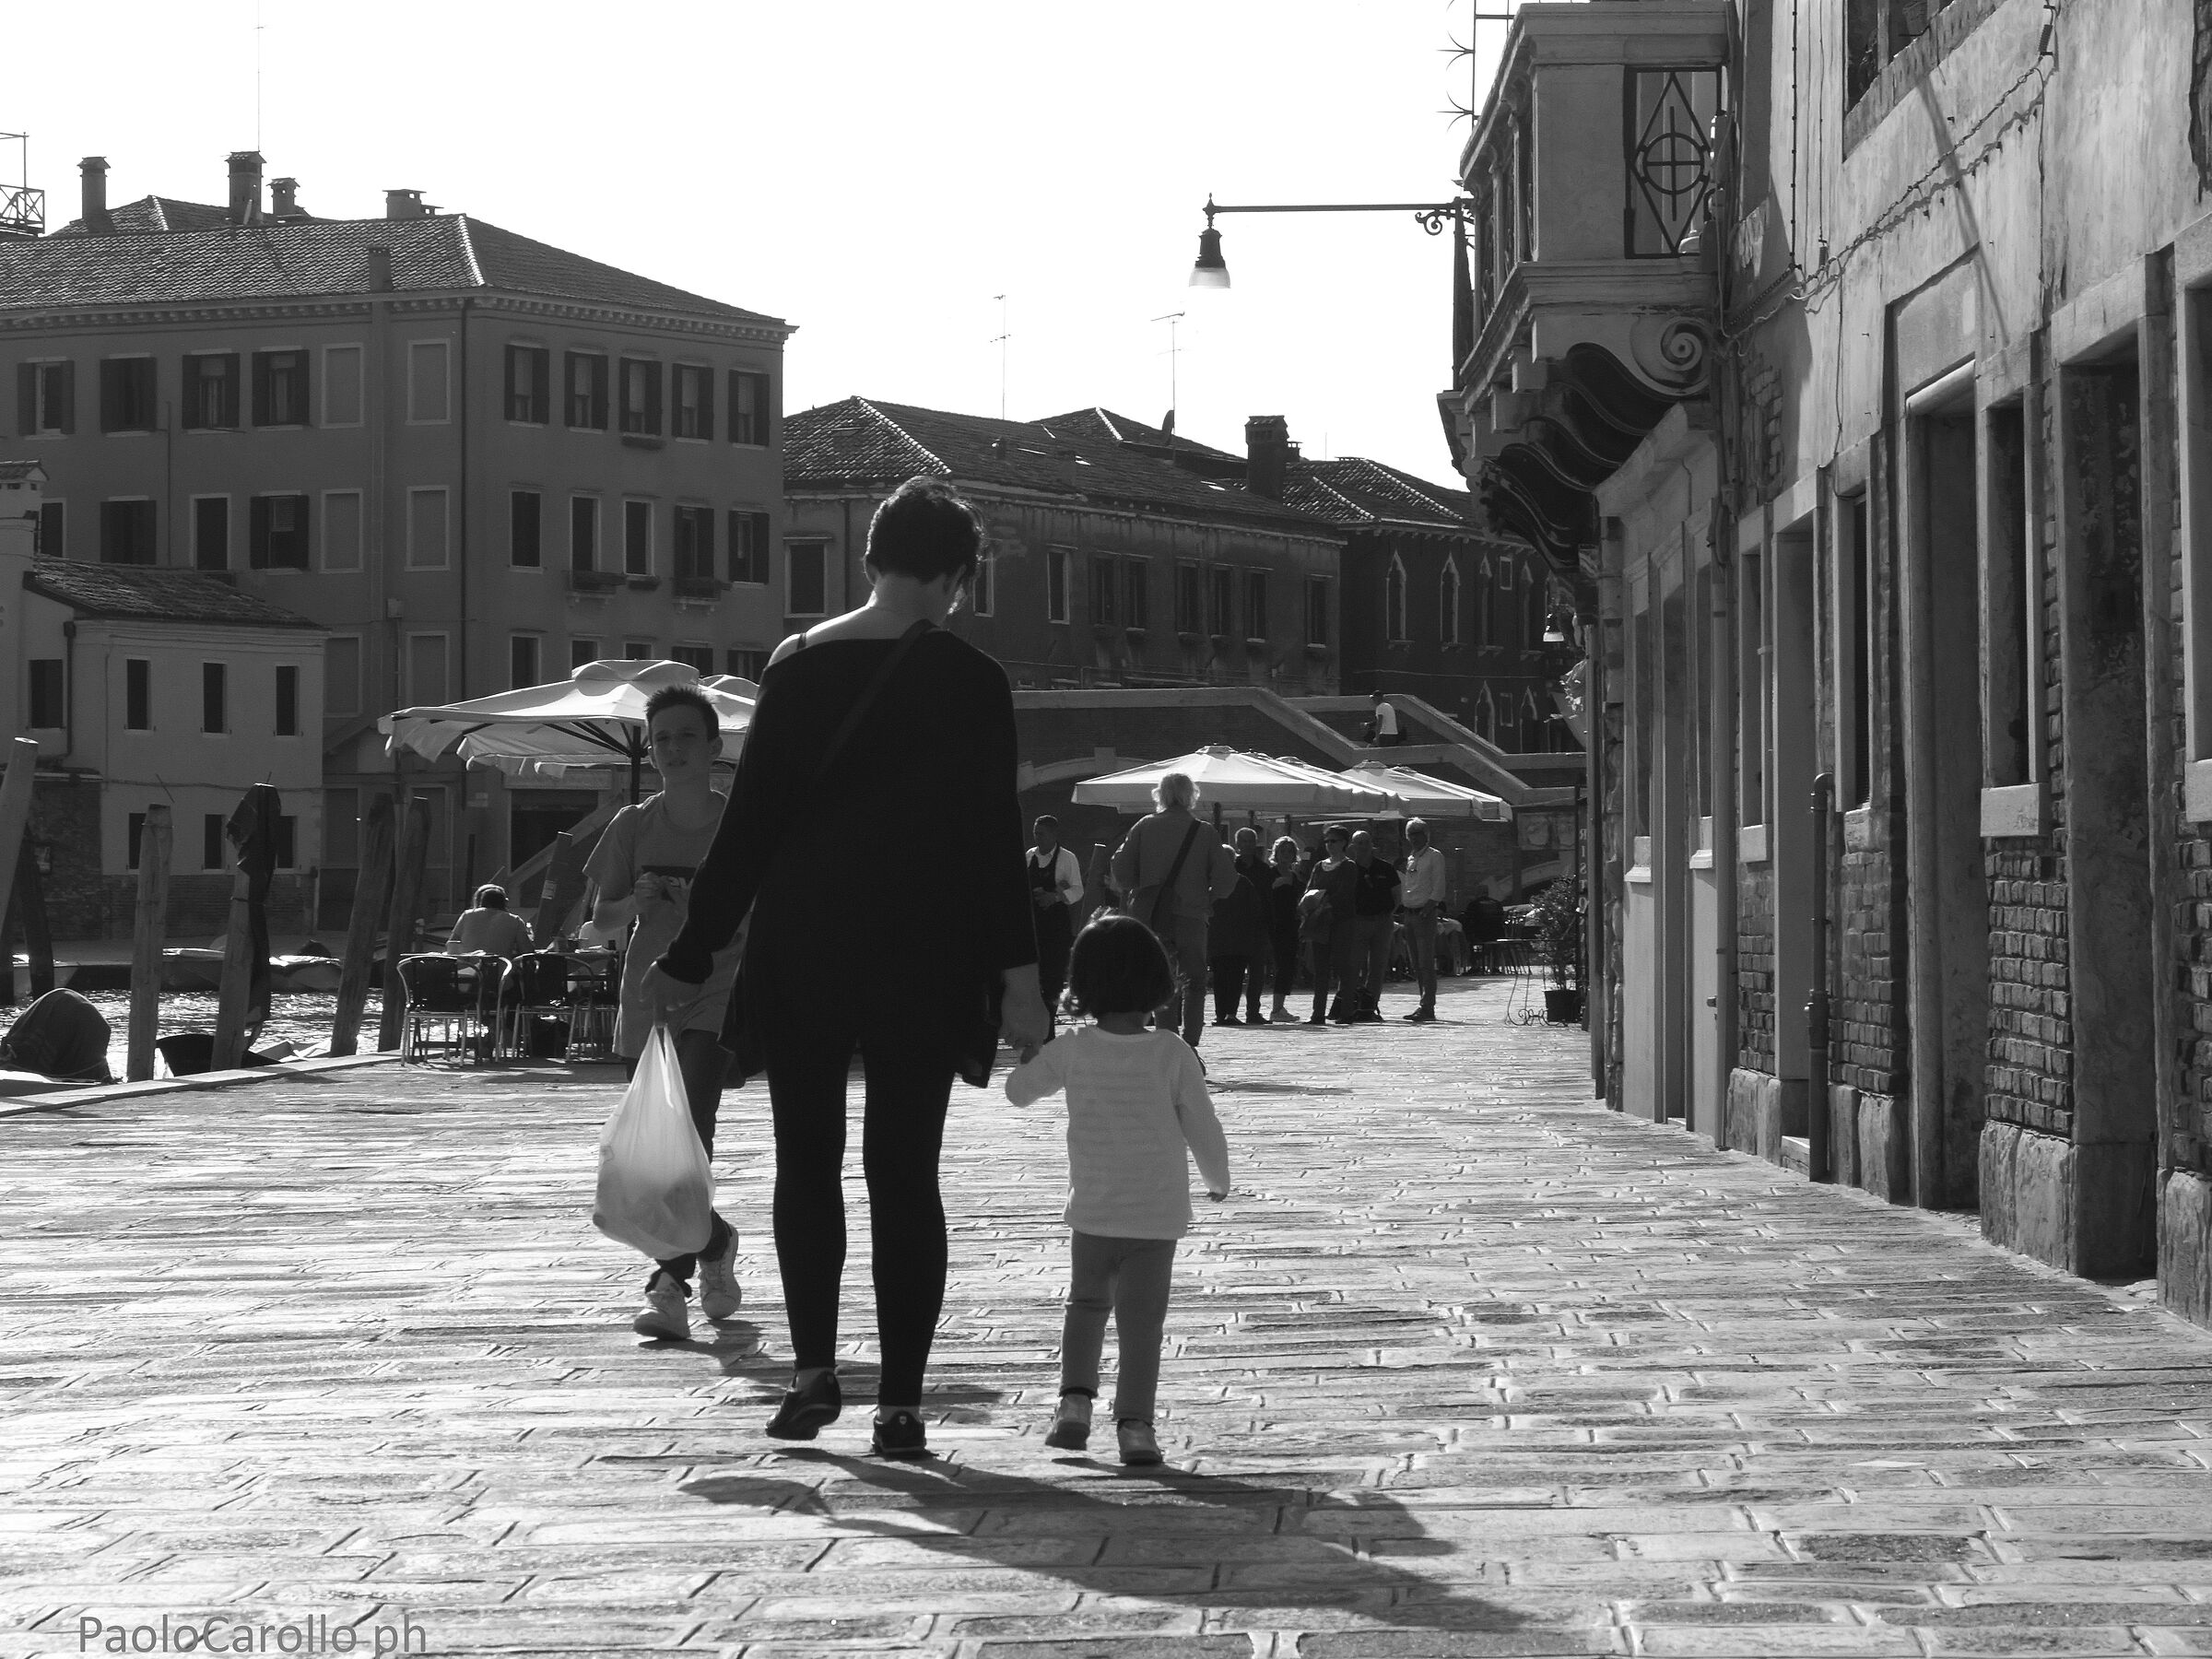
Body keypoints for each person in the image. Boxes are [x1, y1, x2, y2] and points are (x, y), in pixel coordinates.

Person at [649, 475, 1051, 1461]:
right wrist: (1020, 976)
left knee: (807, 1164)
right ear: (957, 576)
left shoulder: (794, 667)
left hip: (807, 946)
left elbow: (751, 829)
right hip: (926, 952)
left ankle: (816, 1374)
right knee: (904, 1175)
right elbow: (992, 843)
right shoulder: (972, 680)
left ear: (868, 559)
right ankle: (902, 1402)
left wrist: (696, 944)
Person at [1005, 914, 1230, 1466]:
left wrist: (1029, 1055)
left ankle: (1074, 1405)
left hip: (1094, 1210)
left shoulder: (1075, 1048)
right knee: (1141, 1323)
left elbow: (1017, 1094)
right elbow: (1203, 1125)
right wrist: (1217, 1180)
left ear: (1083, 984)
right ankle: (1135, 1427)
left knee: (1086, 1304)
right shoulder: (1172, 1052)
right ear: (1158, 979)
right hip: (1156, 1215)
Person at [584, 685, 745, 1343]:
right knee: (655, 1157)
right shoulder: (632, 825)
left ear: (714, 746)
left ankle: (667, 1286)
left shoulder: (741, 824)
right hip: (647, 998)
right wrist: (639, 903)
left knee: (690, 1135)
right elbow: (600, 924)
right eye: (663, 740)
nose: (674, 749)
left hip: (720, 988)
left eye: (686, 736)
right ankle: (716, 1242)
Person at [1108, 773, 1236, 1053]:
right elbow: (1227, 879)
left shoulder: (1144, 827)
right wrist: (1208, 899)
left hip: (1151, 917)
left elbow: (1120, 869)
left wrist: (1140, 888)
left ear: (1160, 795)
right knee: (1196, 981)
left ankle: (1168, 1043)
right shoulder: (1204, 831)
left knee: (1160, 981)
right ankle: (1190, 1045)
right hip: (1191, 915)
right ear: (1192, 795)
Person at [1027, 816, 1085, 1018]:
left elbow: (1078, 890)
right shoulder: (1029, 856)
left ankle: (1050, 1019)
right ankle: (1035, 1015)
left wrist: (1056, 897)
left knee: (1053, 976)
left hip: (1056, 925)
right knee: (1034, 975)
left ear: (1053, 834)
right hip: (1033, 925)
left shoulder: (1067, 858)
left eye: (1041, 833)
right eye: (1035, 833)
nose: (1037, 837)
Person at [1343, 830, 1401, 1022]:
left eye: (1366, 842)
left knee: (1377, 966)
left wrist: (1388, 915)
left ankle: (1369, 1007)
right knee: (1354, 964)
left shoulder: (1385, 868)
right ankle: (1350, 1005)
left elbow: (1397, 896)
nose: (1363, 846)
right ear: (1352, 847)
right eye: (1359, 843)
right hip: (1358, 921)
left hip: (1382, 921)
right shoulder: (1348, 869)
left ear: (1371, 845)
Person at [1206, 852, 1266, 1028]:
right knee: (1223, 978)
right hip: (1223, 939)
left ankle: (1227, 1014)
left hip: (1235, 940)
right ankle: (1223, 1014)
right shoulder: (1217, 882)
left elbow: (1255, 910)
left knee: (1231, 978)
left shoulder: (1240, 882)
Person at [1303, 826, 1358, 1024]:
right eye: (1327, 841)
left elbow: (1345, 893)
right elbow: (1310, 888)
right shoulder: (1319, 866)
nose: (1329, 845)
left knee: (1344, 966)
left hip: (1341, 921)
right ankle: (1318, 1013)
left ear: (1343, 843)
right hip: (1320, 921)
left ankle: (1346, 1012)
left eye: (1333, 841)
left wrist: (1325, 900)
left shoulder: (1349, 866)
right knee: (1320, 969)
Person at [1398, 818, 1449, 1022]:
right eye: (1411, 834)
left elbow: (1438, 888)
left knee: (1426, 962)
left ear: (1426, 834)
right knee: (1416, 963)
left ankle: (1428, 1006)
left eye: (1418, 833)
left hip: (1424, 914)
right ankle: (1422, 1002)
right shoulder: (1411, 858)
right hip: (1409, 914)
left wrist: (1427, 910)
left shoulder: (1434, 856)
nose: (1414, 838)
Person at [1264, 836, 1304, 1023]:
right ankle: (1276, 1008)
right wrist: (1276, 886)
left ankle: (1279, 1007)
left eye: (1290, 852)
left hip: (1291, 924)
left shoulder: (1295, 876)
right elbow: (1264, 897)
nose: (1286, 855)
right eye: (1282, 852)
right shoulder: (1270, 873)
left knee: (1288, 964)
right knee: (1280, 964)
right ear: (1276, 853)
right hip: (1274, 924)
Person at [446, 884, 534, 959]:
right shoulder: (515, 920)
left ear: (480, 902)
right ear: (505, 903)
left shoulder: (467, 915)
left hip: (468, 969)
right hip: (499, 970)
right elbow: (527, 951)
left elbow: (452, 944)